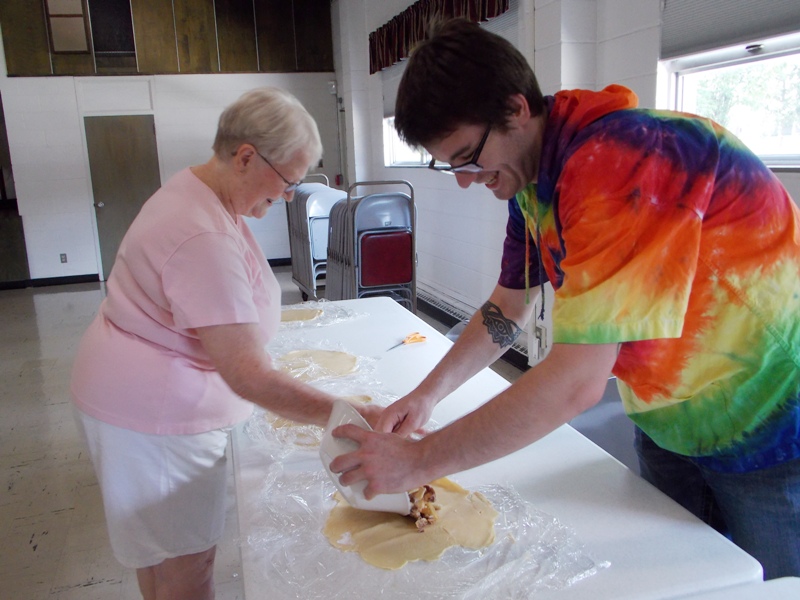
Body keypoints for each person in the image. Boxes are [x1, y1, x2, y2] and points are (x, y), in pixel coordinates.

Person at [330, 18, 800, 580]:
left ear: (516, 109)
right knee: (685, 578)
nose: (465, 179)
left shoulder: (621, 161)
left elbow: (577, 382)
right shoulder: (532, 184)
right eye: (450, 163)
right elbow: (507, 309)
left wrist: (419, 460)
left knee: (771, 583)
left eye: (468, 155)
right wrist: (426, 396)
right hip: (671, 416)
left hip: (769, 420)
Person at [71, 87, 379, 600]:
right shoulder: (202, 234)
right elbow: (247, 374)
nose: (288, 197)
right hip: (156, 420)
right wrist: (347, 415)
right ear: (245, 157)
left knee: (161, 556)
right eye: (288, 182)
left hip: (132, 399)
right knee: (186, 565)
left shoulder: (199, 192)